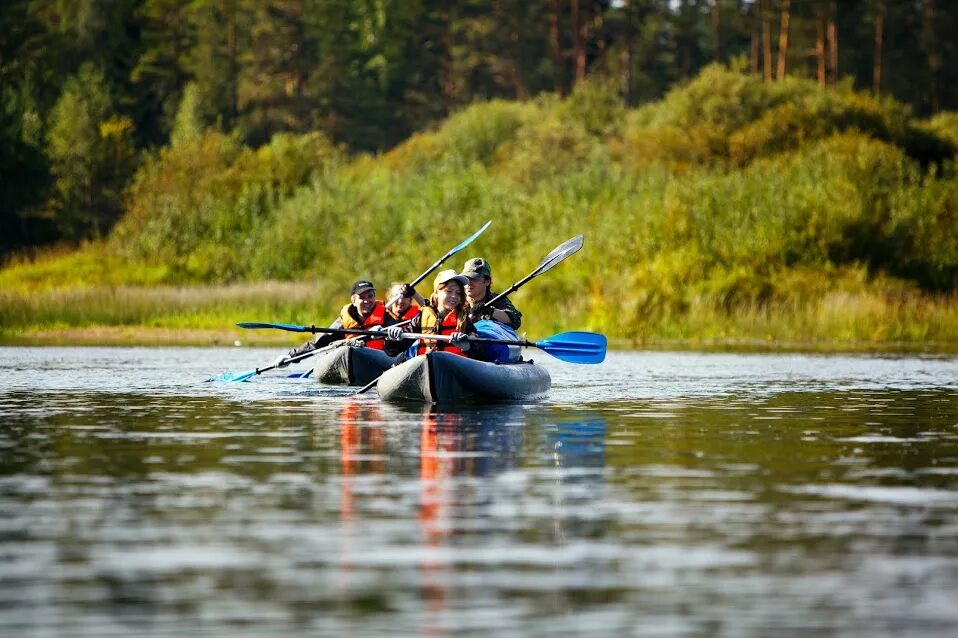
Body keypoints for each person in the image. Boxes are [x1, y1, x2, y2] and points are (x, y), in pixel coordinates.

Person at [275, 279, 392, 367]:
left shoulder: (386, 316)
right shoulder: (345, 320)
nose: (367, 301)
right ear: (353, 300)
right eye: (362, 297)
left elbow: (400, 342)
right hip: (353, 360)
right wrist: (291, 356)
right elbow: (320, 342)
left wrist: (387, 334)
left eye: (370, 296)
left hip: (379, 360)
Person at [383, 270, 484, 362]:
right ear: (437, 293)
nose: (454, 296)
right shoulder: (422, 317)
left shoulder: (463, 319)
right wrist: (393, 338)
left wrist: (467, 346)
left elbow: (480, 353)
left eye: (458, 293)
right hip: (427, 369)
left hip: (454, 371)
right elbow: (392, 351)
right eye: (449, 291)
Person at [459, 257, 522, 328]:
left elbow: (516, 321)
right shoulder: (457, 301)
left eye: (474, 279)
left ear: (487, 281)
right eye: (466, 279)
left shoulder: (497, 299)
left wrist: (490, 311)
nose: (469, 283)